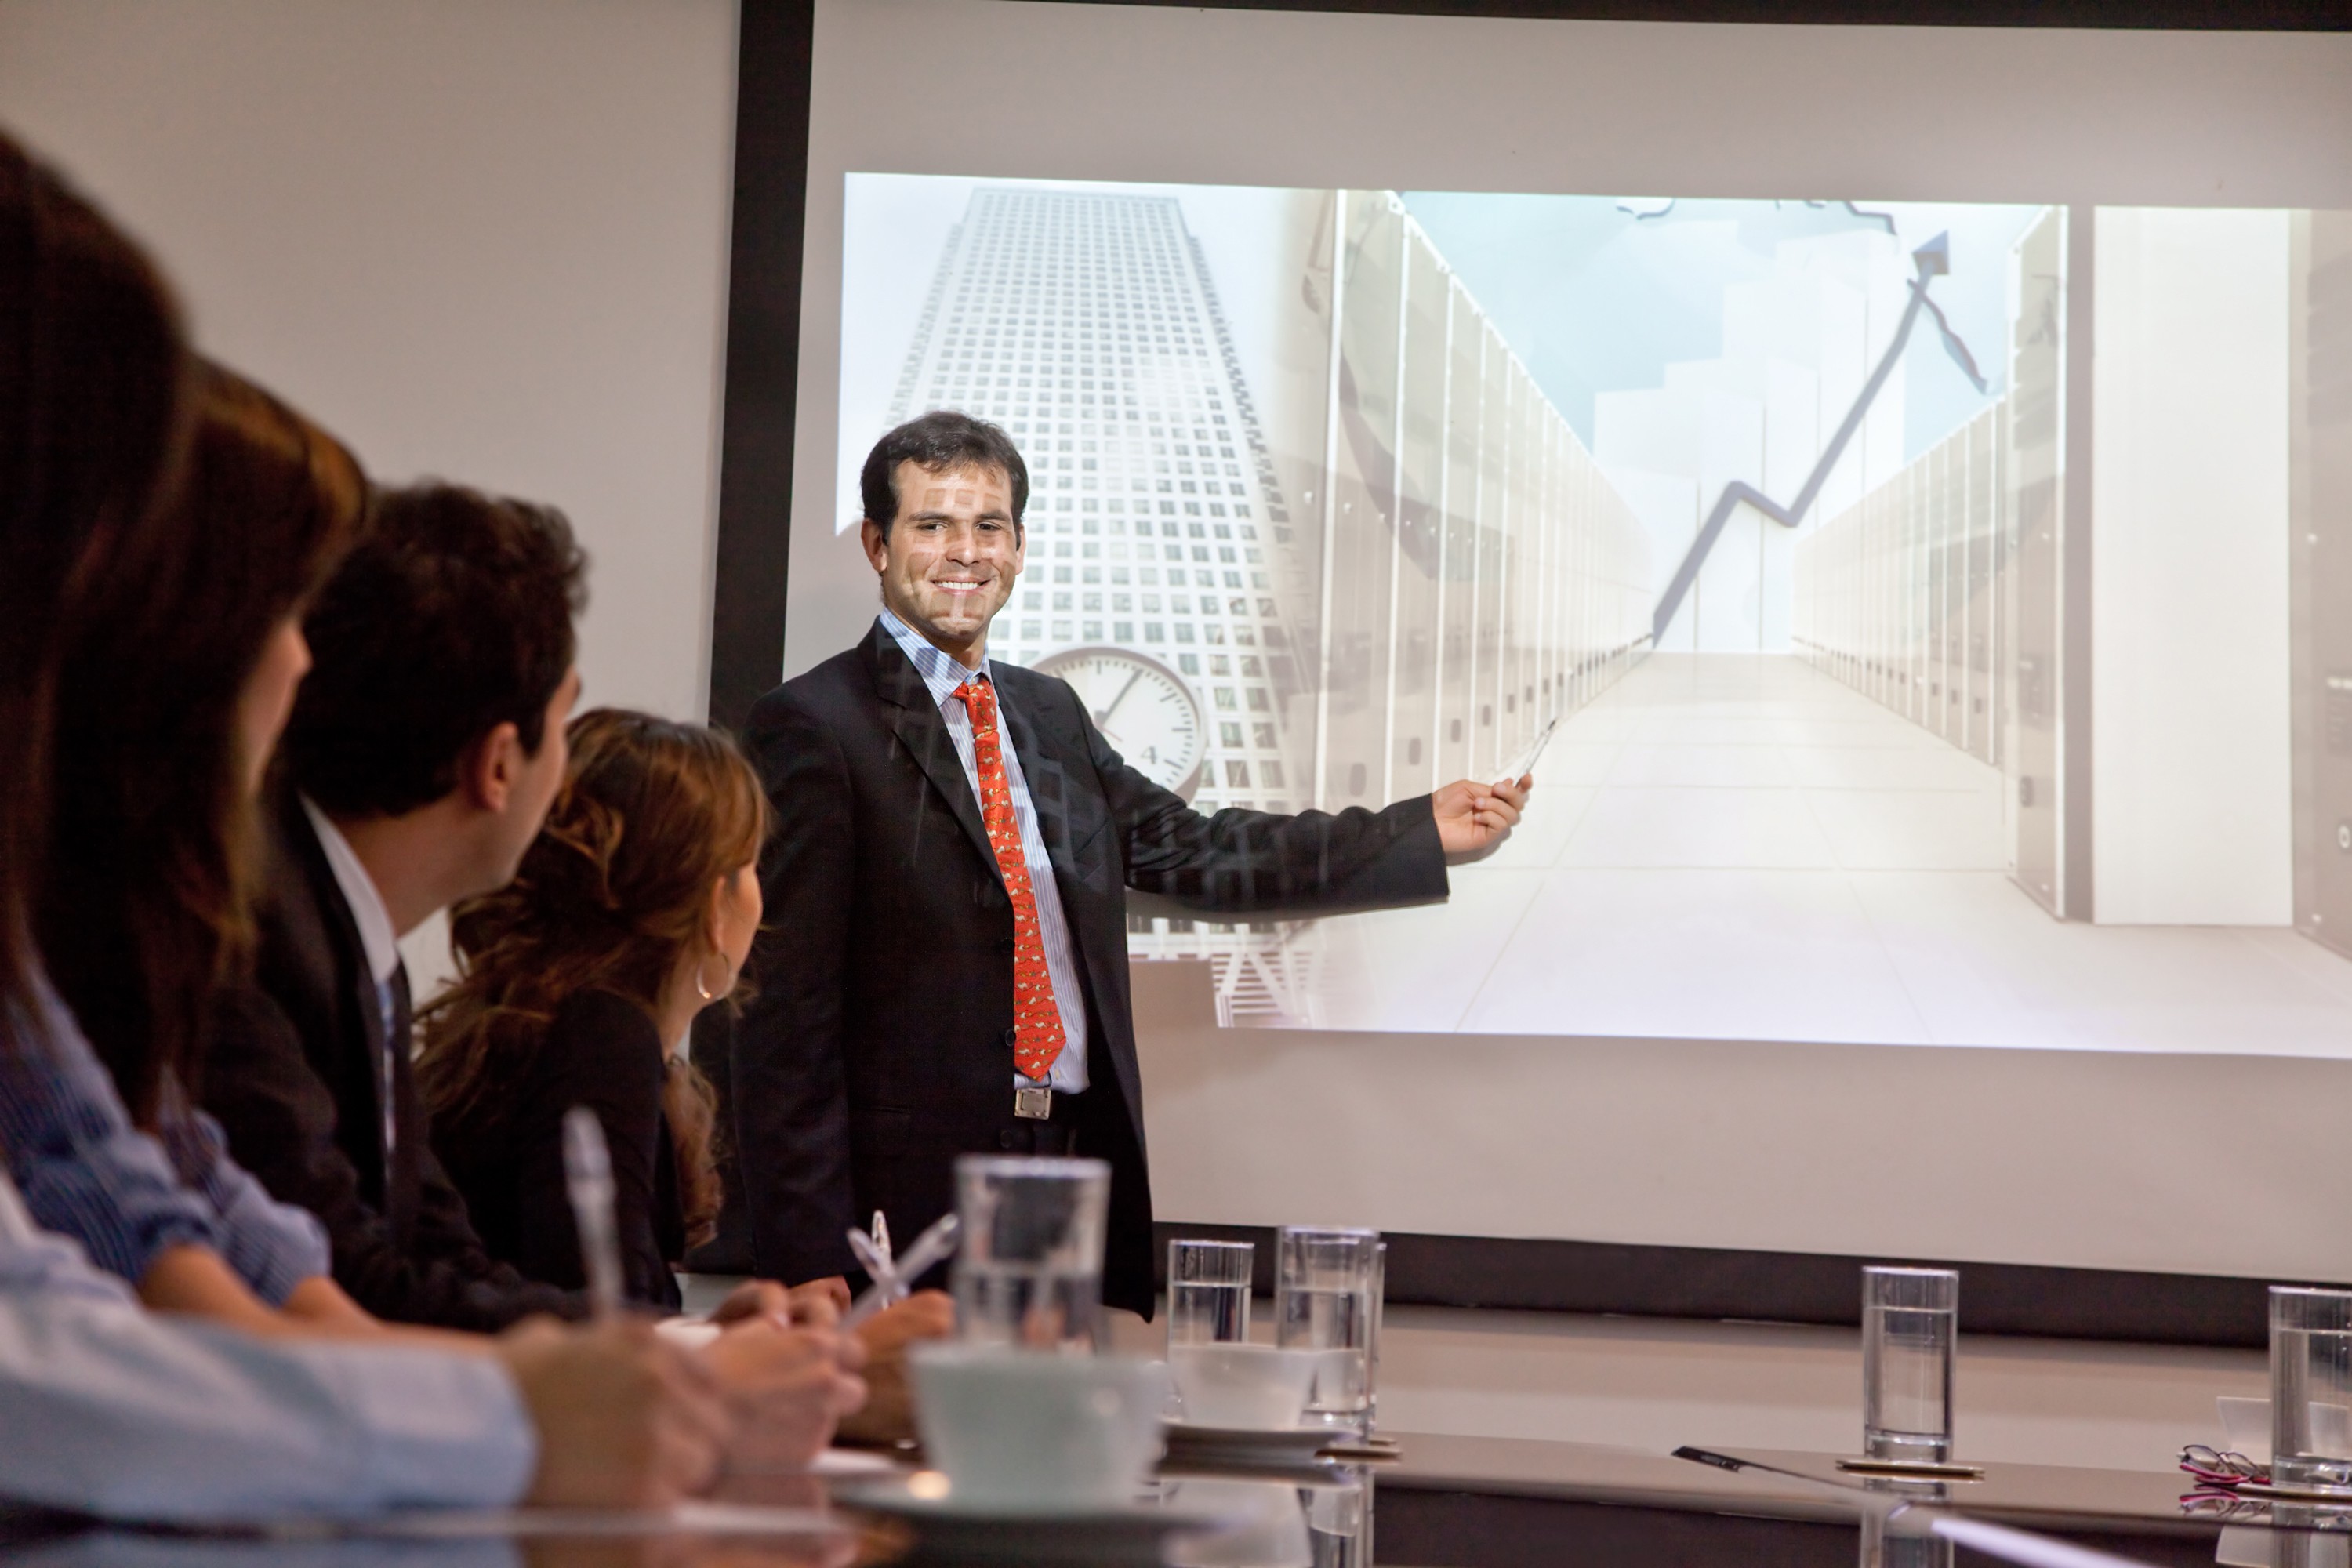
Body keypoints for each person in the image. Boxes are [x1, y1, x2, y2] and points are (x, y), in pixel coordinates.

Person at [0, 129, 727, 1514]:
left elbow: (208, 1253)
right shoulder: (216, 934)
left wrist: (632, 1392)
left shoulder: (141, 935)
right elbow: (63, 1372)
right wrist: (537, 1435)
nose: (297, 660)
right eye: (278, 610)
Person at [724, 410, 1532, 1314]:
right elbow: (781, 1011)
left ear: (1020, 548)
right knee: (923, 1444)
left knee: (1047, 1436)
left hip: (1063, 1162)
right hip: (905, 1199)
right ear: (878, 543)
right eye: (932, 525)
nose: (965, 551)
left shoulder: (1048, 714)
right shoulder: (814, 725)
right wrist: (803, 1247)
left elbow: (1200, 847)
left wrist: (1416, 828)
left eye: (989, 526)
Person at [419, 708, 771, 1312]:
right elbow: (608, 1328)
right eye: (750, 865)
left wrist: (722, 1341)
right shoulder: (603, 1041)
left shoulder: (541, 1021)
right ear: (715, 904)